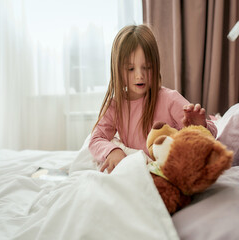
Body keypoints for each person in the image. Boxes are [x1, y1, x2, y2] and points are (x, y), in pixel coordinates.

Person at [89, 24, 217, 173]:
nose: (139, 75)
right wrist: (112, 151)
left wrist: (201, 126)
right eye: (130, 69)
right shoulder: (115, 106)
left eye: (147, 67)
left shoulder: (170, 99)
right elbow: (95, 139)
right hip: (139, 171)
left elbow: (210, 138)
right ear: (117, 69)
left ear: (155, 66)